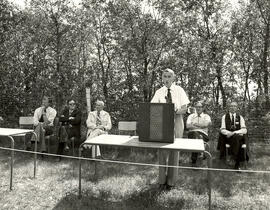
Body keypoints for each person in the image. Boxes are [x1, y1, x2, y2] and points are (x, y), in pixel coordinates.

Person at [151, 68, 190, 190]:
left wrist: (175, 111)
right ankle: (162, 181)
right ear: (162, 78)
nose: (166, 79)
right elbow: (153, 107)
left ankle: (171, 182)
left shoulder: (179, 90)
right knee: (162, 150)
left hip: (177, 120)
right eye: (164, 76)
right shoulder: (159, 92)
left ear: (173, 78)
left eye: (169, 76)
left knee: (175, 151)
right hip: (162, 122)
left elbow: (185, 108)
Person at [217, 101, 249, 170]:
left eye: (234, 106)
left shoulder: (240, 117)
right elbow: (222, 129)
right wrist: (229, 133)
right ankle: (237, 163)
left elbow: (244, 130)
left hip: (237, 136)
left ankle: (235, 160)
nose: (233, 107)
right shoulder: (224, 117)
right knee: (238, 141)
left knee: (236, 137)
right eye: (231, 106)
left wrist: (234, 133)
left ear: (237, 108)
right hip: (228, 137)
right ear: (229, 107)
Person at [186, 101, 212, 166]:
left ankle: (194, 161)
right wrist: (201, 125)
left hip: (203, 134)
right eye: (197, 107)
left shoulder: (206, 116)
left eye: (200, 107)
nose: (198, 108)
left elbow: (206, 125)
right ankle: (200, 153)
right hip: (192, 134)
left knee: (196, 138)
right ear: (195, 108)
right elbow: (188, 126)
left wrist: (194, 124)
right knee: (195, 135)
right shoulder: (191, 116)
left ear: (202, 108)